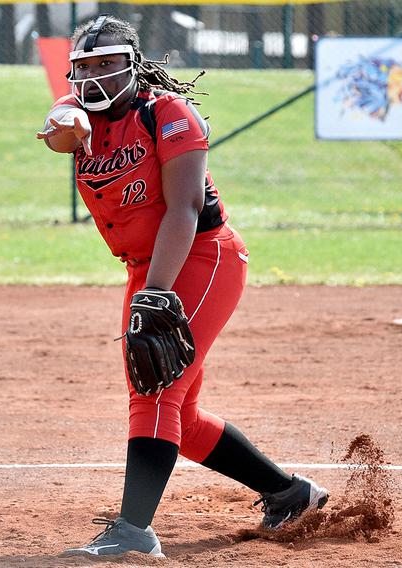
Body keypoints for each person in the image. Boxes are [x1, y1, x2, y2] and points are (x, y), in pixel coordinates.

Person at [36, 15, 329, 559]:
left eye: (108, 65)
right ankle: (290, 494)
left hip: (200, 255)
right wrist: (63, 117)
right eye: (85, 68)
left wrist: (157, 291)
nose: (96, 78)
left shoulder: (167, 115)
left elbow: (185, 209)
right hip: (145, 267)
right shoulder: (80, 117)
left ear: (134, 67)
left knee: (155, 390)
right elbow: (60, 131)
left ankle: (133, 531)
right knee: (180, 413)